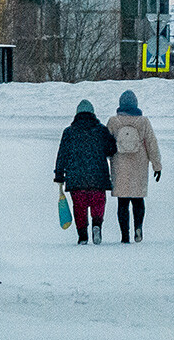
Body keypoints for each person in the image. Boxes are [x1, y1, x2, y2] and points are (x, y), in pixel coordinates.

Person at [53, 99, 115, 244]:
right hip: (97, 177)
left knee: (79, 207)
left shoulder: (69, 132)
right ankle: (97, 225)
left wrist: (59, 174)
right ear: (93, 113)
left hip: (76, 178)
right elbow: (111, 150)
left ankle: (82, 235)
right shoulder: (101, 130)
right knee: (98, 203)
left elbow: (62, 154)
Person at [107, 90, 161, 243]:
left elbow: (106, 144)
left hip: (120, 165)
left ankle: (125, 235)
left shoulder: (113, 121)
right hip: (139, 165)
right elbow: (152, 144)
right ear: (135, 104)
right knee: (138, 200)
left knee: (122, 202)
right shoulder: (143, 122)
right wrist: (157, 165)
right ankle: (138, 226)